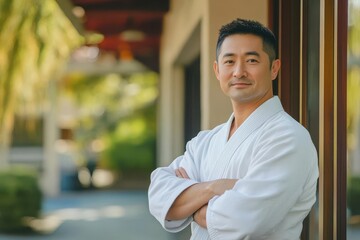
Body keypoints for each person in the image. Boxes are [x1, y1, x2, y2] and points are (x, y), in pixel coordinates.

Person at [148, 18, 319, 240]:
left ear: (274, 68)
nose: (239, 72)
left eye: (251, 60)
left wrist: (189, 202)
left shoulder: (288, 138)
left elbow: (244, 220)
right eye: (229, 61)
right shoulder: (205, 141)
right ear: (217, 70)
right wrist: (214, 188)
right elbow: (158, 195)